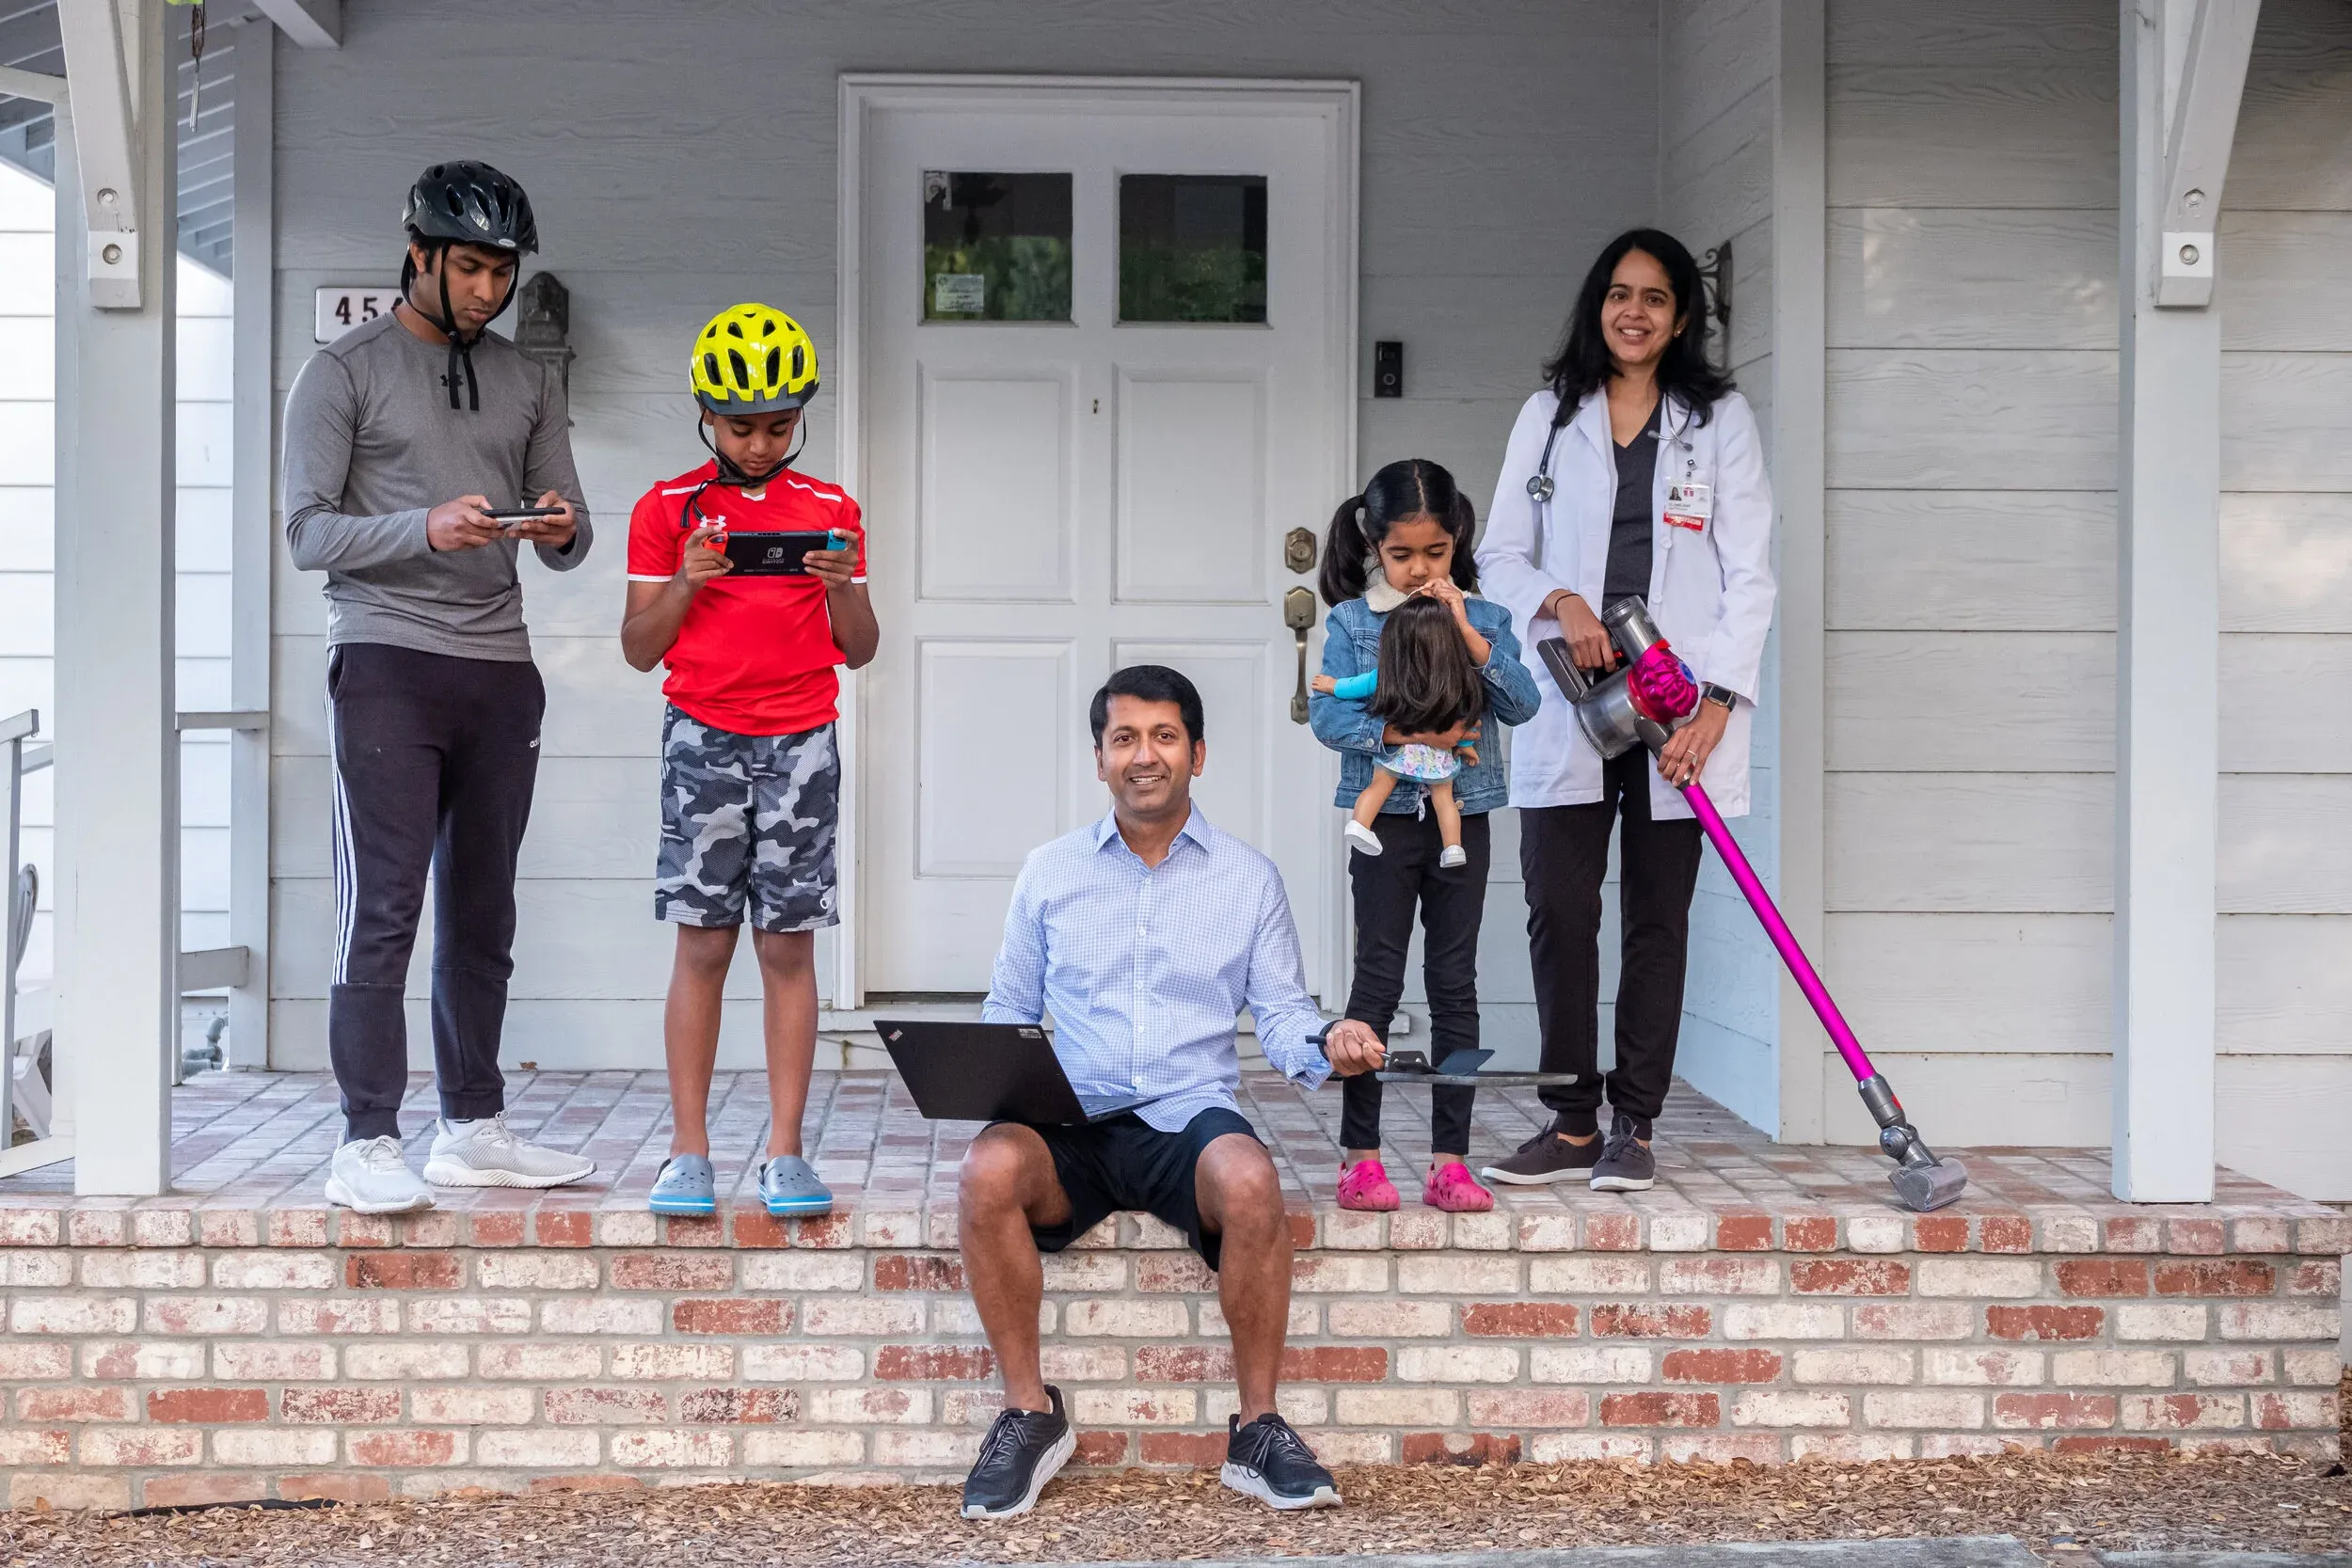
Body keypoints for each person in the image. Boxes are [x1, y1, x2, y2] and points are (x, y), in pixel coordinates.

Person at [956, 666, 1384, 1520]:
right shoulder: (1049, 871)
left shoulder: (1248, 878)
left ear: (1197, 753)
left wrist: (1330, 1045)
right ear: (1099, 759)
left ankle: (1258, 1428)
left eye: (1162, 737)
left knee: (1253, 1179)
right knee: (985, 1169)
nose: (1143, 756)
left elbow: (1285, 1012)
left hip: (1187, 1114)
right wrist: (980, 1072)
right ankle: (1029, 1413)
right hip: (1069, 1119)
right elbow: (1006, 1011)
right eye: (1124, 738)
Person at [283, 160, 597, 1214]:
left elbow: (573, 533)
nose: (488, 290)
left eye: (503, 271)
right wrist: (423, 525)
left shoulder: (527, 378)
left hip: (500, 671)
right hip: (386, 662)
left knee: (483, 908)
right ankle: (367, 1135)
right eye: (469, 267)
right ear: (417, 253)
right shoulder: (342, 372)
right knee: (381, 906)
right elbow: (307, 531)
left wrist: (555, 524)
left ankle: (471, 1123)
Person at [1474, 228, 1775, 1194]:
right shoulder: (1548, 415)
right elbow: (1499, 554)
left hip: (1678, 702)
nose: (1632, 311)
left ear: (1681, 315)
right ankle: (1568, 1120)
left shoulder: (1716, 418)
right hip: (1575, 696)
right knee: (1558, 910)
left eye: (1653, 296)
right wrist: (1560, 602)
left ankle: (1632, 1125)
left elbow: (1749, 573)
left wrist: (1717, 704)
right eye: (1617, 293)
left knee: (1658, 918)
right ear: (1595, 304)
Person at [620, 304, 878, 1219]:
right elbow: (638, 648)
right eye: (741, 427)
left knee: (787, 946)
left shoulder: (833, 510)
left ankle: (785, 1149)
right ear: (705, 413)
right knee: (701, 943)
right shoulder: (664, 509)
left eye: (779, 425)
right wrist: (690, 578)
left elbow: (862, 646)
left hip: (803, 739)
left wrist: (841, 588)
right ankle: (688, 1150)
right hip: (704, 739)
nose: (762, 445)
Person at [1307, 460, 1540, 1213]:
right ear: (1375, 544)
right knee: (1375, 980)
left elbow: (1523, 703)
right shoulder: (1350, 622)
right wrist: (1408, 731)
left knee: (1454, 984)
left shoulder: (1489, 619)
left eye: (1433, 554)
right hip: (1382, 823)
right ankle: (1362, 1158)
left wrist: (1469, 633)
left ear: (1455, 541)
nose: (1417, 569)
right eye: (1402, 554)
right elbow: (1330, 719)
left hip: (1459, 819)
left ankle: (1450, 1159)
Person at [1315, 597, 1486, 867]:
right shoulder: (1456, 682)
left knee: (1378, 787)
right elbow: (1460, 723)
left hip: (1400, 751)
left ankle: (1360, 824)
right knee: (1445, 800)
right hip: (1439, 755)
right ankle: (1453, 847)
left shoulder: (1386, 676)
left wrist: (1331, 685)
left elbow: (1352, 688)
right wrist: (1464, 744)